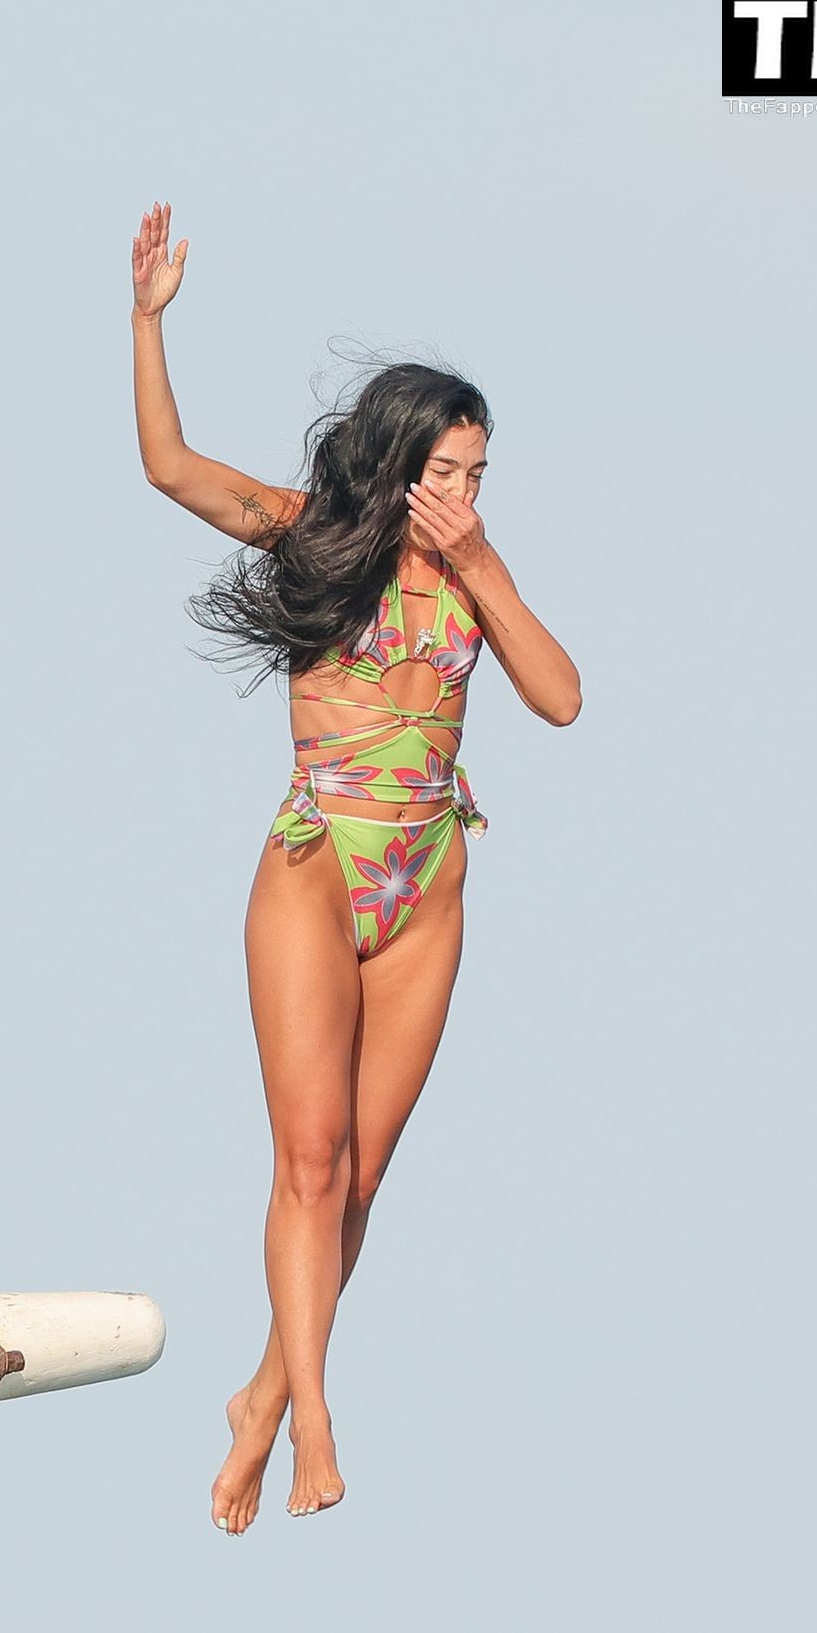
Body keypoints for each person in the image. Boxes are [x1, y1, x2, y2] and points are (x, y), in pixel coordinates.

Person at [131, 200, 582, 1534]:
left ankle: (261, 1395)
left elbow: (561, 698)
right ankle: (310, 1419)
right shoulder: (316, 537)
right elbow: (169, 468)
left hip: (427, 881)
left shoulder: (473, 573)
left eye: (479, 474)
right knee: (310, 1163)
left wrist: (484, 561)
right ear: (396, 465)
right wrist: (148, 323)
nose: (463, 496)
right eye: (446, 472)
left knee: (364, 1180)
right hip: (319, 865)